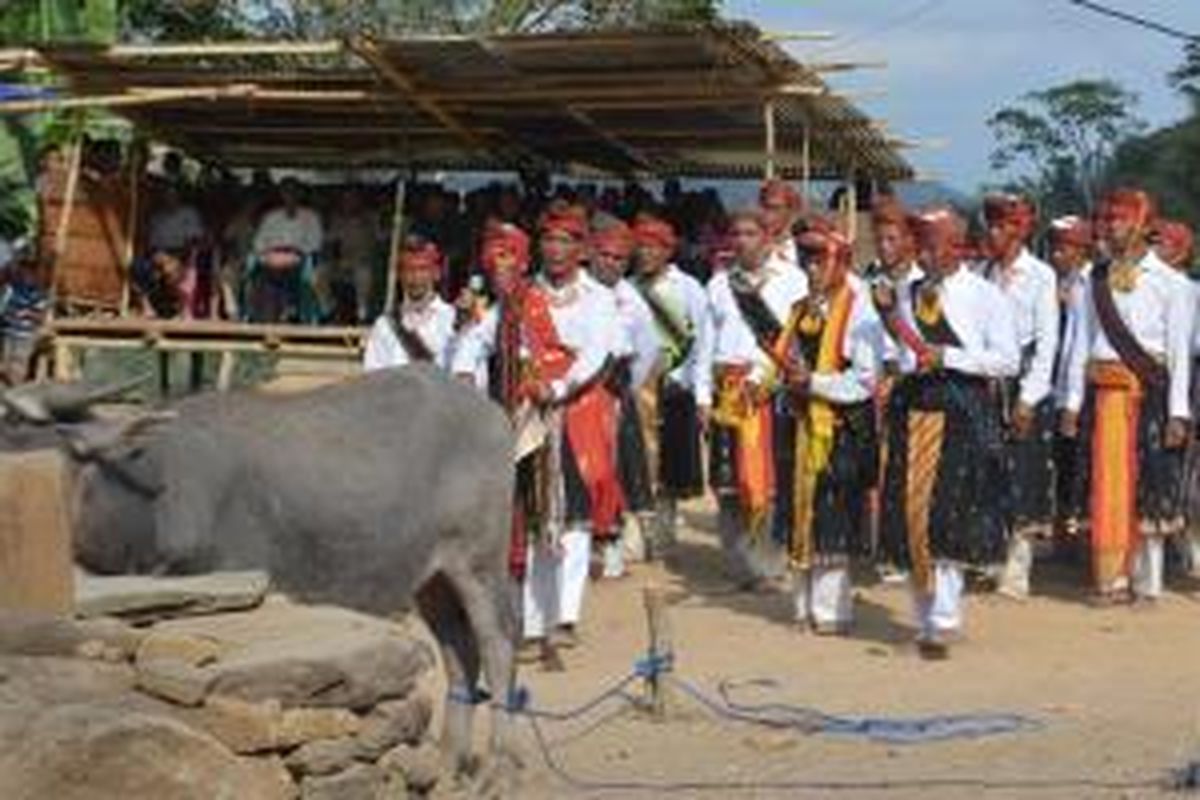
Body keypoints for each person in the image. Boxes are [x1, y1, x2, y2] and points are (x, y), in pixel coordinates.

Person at [453, 210, 621, 668]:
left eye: (566, 241)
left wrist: (560, 388)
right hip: (527, 415)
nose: (556, 249)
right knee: (532, 517)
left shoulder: (599, 298)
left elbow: (598, 354)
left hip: (578, 411)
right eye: (548, 240)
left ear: (582, 249)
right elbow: (476, 339)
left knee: (573, 516)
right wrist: (466, 373)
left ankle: (564, 617)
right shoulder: (519, 296)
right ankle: (530, 625)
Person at [876, 206, 1018, 659]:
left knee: (947, 514)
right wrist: (905, 362)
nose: (925, 253)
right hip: (912, 407)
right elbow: (900, 353)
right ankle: (922, 620)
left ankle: (945, 619)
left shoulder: (985, 295)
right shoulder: (906, 291)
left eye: (933, 243)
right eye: (921, 243)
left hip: (962, 409)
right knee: (910, 512)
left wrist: (949, 356)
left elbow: (1007, 360)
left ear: (957, 246)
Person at [1061, 189, 1192, 605]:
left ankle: (1148, 582)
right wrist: (1071, 402)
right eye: (1105, 220)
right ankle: (1112, 580)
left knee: (1149, 485)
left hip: (1149, 393)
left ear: (1139, 223)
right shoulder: (1093, 280)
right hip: (1102, 397)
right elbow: (1080, 343)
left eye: (1117, 220)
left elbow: (1178, 354)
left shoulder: (1174, 284)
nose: (1108, 228)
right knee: (1106, 484)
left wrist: (1178, 413)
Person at [783, 225, 885, 634]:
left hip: (840, 426)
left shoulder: (861, 309)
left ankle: (832, 611)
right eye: (805, 259)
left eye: (819, 259)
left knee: (832, 515)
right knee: (798, 512)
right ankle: (801, 606)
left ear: (841, 262)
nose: (811, 269)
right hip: (801, 422)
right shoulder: (798, 309)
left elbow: (864, 379)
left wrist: (815, 384)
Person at [706, 207, 809, 590]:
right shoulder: (719, 284)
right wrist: (703, 393)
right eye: (736, 234)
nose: (742, 241)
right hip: (726, 392)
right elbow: (706, 342)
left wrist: (762, 377)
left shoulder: (794, 281)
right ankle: (738, 564)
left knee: (768, 480)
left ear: (768, 237)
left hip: (770, 390)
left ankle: (769, 565)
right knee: (727, 480)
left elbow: (794, 341)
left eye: (751, 233)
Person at [980, 194, 1059, 600]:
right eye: (989, 225)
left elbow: (1048, 343)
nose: (992, 233)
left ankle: (1017, 567)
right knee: (988, 471)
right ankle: (990, 556)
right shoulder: (982, 273)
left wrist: (1030, 399)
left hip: (1025, 380)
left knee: (1023, 472)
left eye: (999, 226)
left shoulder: (1041, 275)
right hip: (987, 383)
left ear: (1017, 231)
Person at [630, 212, 711, 552]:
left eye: (653, 247)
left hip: (677, 385)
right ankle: (635, 535)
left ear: (668, 251)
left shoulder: (689, 288)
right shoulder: (630, 288)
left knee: (670, 463)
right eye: (642, 247)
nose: (646, 254)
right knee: (637, 458)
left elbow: (702, 337)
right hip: (637, 386)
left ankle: (662, 534)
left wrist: (690, 380)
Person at [590, 214, 661, 564]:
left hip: (612, 396)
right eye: (605, 255)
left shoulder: (632, 302)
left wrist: (621, 390)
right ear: (590, 253)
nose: (611, 263)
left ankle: (612, 549)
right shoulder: (573, 292)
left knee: (616, 471)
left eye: (619, 258)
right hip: (567, 398)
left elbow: (647, 352)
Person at [1047, 215, 1095, 557]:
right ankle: (1065, 535)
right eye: (1054, 247)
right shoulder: (1062, 283)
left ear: (1081, 249)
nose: (1056, 255)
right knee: (1064, 463)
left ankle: (1086, 537)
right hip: (1062, 386)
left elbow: (1083, 345)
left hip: (1086, 389)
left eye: (1063, 248)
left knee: (1085, 465)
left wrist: (1073, 400)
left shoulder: (1093, 283)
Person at [363, 237, 455, 372]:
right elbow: (373, 378)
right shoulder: (384, 326)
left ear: (436, 273)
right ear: (400, 275)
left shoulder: (452, 320)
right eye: (409, 270)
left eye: (423, 269)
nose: (415, 277)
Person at [244, 177, 324, 323]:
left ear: (300, 195)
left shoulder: (311, 217)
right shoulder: (271, 217)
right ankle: (254, 314)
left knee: (306, 274)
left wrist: (293, 254)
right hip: (271, 258)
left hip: (299, 258)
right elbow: (258, 243)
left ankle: (297, 311)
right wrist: (268, 256)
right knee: (256, 270)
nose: (290, 196)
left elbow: (315, 244)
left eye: (294, 192)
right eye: (286, 192)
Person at [325, 186, 380, 323]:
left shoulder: (371, 219)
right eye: (346, 199)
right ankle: (328, 309)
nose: (349, 202)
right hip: (341, 262)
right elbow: (331, 244)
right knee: (318, 273)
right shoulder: (336, 220)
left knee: (363, 272)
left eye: (352, 199)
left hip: (364, 262)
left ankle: (362, 311)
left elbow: (380, 240)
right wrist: (334, 261)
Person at [0, 255, 48, 384]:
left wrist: (27, 313)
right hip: (10, 332)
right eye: (23, 271)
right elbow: (5, 309)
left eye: (29, 272)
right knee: (5, 365)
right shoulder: (14, 289)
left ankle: (16, 392)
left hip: (25, 335)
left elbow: (41, 317)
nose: (25, 274)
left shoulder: (38, 293)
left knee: (19, 366)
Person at [760, 180, 804, 273]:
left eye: (775, 209)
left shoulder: (804, 248)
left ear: (791, 211)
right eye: (764, 208)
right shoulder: (751, 248)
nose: (767, 215)